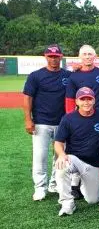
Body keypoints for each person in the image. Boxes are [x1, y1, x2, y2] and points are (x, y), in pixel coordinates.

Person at [23, 44, 71, 201]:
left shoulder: (68, 75)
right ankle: (40, 187)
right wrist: (28, 119)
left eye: (56, 56)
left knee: (59, 155)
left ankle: (54, 183)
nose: (53, 59)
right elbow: (27, 98)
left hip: (62, 121)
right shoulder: (35, 76)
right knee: (40, 156)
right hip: (41, 121)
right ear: (45, 56)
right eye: (50, 56)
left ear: (61, 57)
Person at [54, 87, 99, 216]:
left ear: (94, 100)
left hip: (94, 163)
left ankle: (84, 184)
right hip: (74, 159)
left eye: (89, 99)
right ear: (77, 101)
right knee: (61, 166)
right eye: (82, 99)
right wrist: (62, 155)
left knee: (92, 200)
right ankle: (67, 203)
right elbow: (58, 142)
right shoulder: (68, 118)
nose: (86, 102)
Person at [65, 45, 99, 112]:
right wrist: (71, 119)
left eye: (90, 54)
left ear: (95, 56)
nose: (87, 57)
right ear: (79, 57)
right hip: (83, 117)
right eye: (84, 54)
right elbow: (70, 100)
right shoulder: (73, 76)